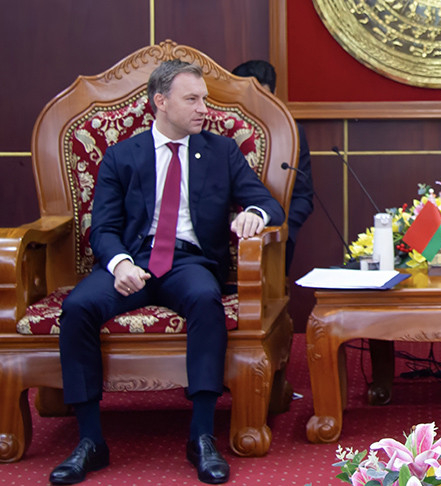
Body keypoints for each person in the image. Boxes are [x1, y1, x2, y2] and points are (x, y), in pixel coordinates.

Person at [49, 60, 284, 485]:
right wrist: (119, 263)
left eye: (204, 99)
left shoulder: (221, 152)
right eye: (191, 99)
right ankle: (90, 441)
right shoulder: (122, 155)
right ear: (161, 102)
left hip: (188, 261)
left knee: (204, 298)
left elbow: (270, 204)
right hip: (132, 260)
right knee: (79, 306)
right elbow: (101, 228)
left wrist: (252, 213)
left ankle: (201, 437)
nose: (203, 108)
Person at [231, 60, 314, 272]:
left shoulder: (291, 133)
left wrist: (284, 232)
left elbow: (303, 196)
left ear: (274, 94)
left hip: (274, 230)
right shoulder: (217, 129)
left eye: (264, 98)